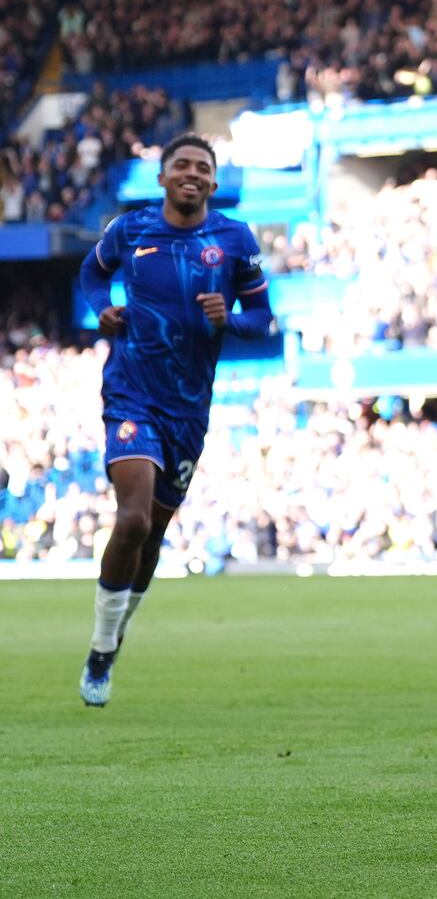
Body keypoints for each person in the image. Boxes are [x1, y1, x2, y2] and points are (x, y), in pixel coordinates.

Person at [76, 133, 275, 706]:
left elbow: (263, 318)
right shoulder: (130, 229)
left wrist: (229, 320)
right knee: (133, 519)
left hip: (189, 408)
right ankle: (99, 648)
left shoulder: (234, 240)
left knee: (156, 534)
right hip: (131, 393)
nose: (192, 173)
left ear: (214, 183)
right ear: (162, 178)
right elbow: (91, 275)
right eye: (181, 165)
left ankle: (112, 638)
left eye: (202, 168)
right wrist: (102, 310)